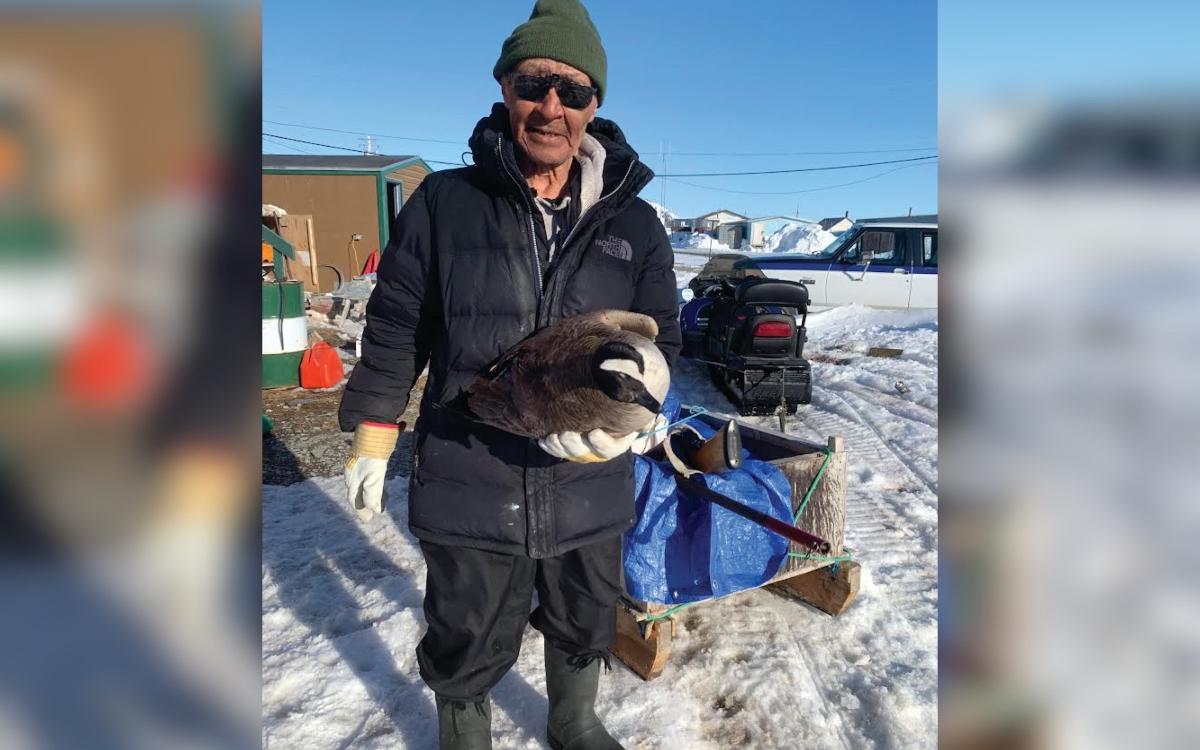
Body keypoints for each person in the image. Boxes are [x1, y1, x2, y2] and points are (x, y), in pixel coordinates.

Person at [338, 1, 680, 747]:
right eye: (533, 84)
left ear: (594, 105)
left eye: (573, 90)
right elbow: (397, 325)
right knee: (466, 627)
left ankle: (575, 721)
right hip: (472, 469)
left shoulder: (634, 223)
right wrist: (373, 428)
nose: (551, 107)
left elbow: (663, 337)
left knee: (584, 610)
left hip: (587, 474)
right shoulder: (445, 203)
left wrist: (641, 407)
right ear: (504, 89)